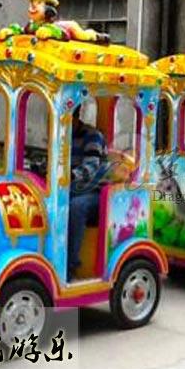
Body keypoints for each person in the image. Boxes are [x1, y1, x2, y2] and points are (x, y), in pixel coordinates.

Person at [67, 106, 108, 282]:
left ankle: (70, 265)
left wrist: (70, 175)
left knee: (77, 206)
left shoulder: (92, 136)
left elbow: (91, 167)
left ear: (76, 117)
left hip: (96, 192)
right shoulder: (61, 134)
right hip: (70, 189)